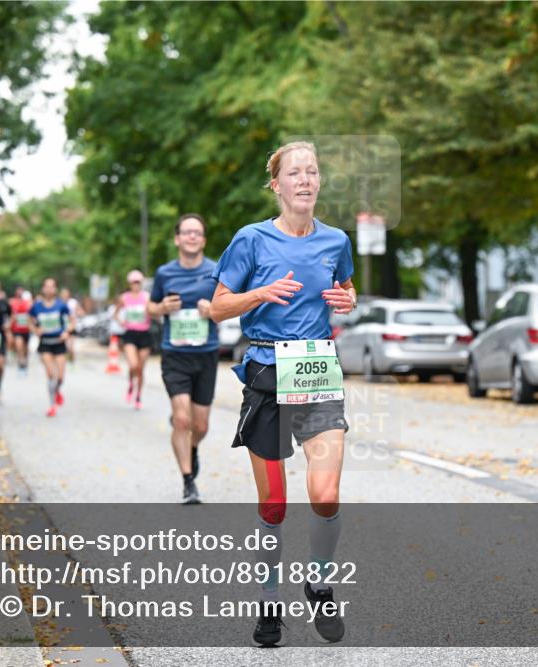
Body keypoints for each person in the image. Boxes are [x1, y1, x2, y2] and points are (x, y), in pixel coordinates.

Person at [209, 141, 356, 647]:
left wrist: (348, 299)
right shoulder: (250, 240)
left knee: (326, 493)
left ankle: (318, 580)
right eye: (295, 172)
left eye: (312, 171)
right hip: (267, 371)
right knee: (274, 505)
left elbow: (346, 288)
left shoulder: (336, 240)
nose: (305, 180)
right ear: (277, 185)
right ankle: (269, 600)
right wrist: (259, 294)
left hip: (317, 369)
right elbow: (217, 307)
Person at [148, 215, 220, 502]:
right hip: (175, 355)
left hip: (206, 354)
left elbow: (229, 307)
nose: (192, 237)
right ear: (177, 239)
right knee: (181, 419)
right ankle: (189, 483)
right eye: (187, 232)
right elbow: (150, 308)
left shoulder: (216, 270)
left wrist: (212, 310)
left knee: (200, 426)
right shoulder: (165, 273)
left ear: (202, 240)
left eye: (197, 233)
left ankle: (192, 447)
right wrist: (162, 307)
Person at [31, 278, 74, 417]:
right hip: (45, 344)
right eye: (47, 286)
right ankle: (52, 405)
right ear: (43, 289)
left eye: (52, 286)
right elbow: (29, 321)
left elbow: (72, 321)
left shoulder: (61, 306)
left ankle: (57, 390)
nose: (49, 289)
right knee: (51, 375)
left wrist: (67, 332)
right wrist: (35, 330)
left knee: (60, 377)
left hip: (59, 343)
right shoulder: (36, 307)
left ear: (55, 289)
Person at [114, 270, 153, 410]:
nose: (136, 286)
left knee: (141, 369)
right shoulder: (124, 298)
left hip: (144, 335)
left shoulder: (147, 297)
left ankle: (138, 396)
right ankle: (131, 383)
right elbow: (115, 313)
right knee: (133, 365)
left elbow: (153, 311)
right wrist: (122, 323)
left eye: (138, 283)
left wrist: (151, 313)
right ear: (129, 284)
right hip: (130, 334)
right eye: (133, 283)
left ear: (141, 284)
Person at [9, 286, 33, 374]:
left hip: (27, 329)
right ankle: (20, 363)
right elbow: (11, 314)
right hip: (17, 329)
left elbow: (32, 315)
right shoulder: (12, 302)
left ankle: (25, 362)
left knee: (25, 348)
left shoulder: (29, 303)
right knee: (19, 346)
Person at [59, 288, 81, 364]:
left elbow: (80, 311)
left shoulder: (73, 302)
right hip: (62, 327)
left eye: (66, 293)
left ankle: (72, 360)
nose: (64, 295)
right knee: (65, 345)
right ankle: (65, 360)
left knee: (70, 346)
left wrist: (77, 313)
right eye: (63, 293)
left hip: (71, 326)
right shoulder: (58, 303)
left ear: (69, 294)